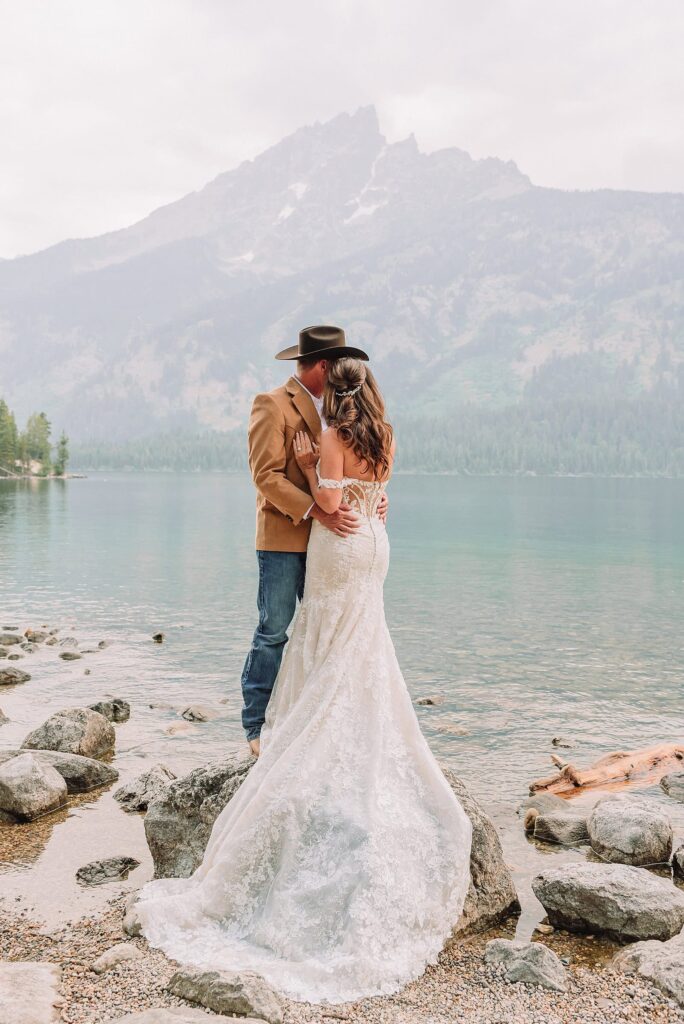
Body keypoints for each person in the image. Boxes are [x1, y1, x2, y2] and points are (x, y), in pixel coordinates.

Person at [136, 341, 473, 1005]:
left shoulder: (330, 433)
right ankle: (341, 725)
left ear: (332, 384)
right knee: (363, 637)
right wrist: (331, 483)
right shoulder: (387, 437)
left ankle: (298, 727)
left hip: (339, 545)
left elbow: (325, 496)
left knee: (321, 631)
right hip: (375, 544)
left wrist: (310, 463)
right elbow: (376, 500)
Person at [240, 324, 387, 756]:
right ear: (323, 365)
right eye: (338, 362)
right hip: (286, 538)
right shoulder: (271, 403)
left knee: (328, 632)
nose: (345, 371)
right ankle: (256, 728)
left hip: (335, 546)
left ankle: (319, 721)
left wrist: (376, 498)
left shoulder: (339, 412)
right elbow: (264, 476)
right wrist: (315, 508)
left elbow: (356, 468)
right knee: (274, 631)